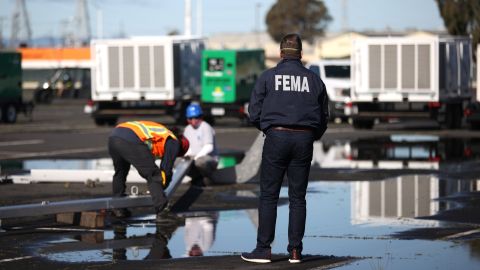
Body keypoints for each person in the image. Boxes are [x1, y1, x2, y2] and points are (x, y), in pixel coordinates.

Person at [241, 33, 329, 264]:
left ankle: (263, 249)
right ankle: (295, 251)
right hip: (304, 139)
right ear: (300, 54)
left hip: (276, 137)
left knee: (269, 195)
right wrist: (311, 135)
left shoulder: (268, 77)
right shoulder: (315, 80)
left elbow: (254, 112)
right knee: (298, 198)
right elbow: (324, 117)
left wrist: (268, 129)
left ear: (281, 53)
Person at [108, 120, 189, 222]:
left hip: (114, 136)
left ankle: (118, 207)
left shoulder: (161, 133)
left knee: (120, 172)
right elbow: (166, 169)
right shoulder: (174, 141)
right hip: (130, 139)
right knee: (153, 174)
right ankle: (163, 211)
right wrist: (162, 185)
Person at [183, 103, 219, 186]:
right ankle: (197, 177)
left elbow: (209, 147)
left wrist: (196, 157)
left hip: (209, 158)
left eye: (196, 117)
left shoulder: (205, 127)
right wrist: (186, 156)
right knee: (177, 162)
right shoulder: (187, 129)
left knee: (200, 162)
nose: (193, 120)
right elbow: (187, 147)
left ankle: (208, 178)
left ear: (201, 117)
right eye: (190, 118)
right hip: (194, 157)